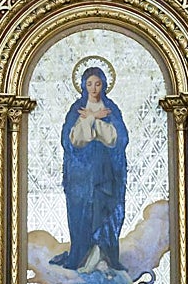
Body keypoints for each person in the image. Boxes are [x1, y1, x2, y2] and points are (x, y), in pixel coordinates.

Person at [49, 66, 129, 273]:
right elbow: (73, 140)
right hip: (82, 176)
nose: (94, 88)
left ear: (104, 85)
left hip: (106, 174)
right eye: (90, 84)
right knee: (83, 213)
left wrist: (94, 120)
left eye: (98, 84)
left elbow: (117, 139)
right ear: (84, 86)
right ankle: (83, 257)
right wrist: (93, 118)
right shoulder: (77, 109)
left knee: (104, 212)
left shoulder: (111, 109)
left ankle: (104, 256)